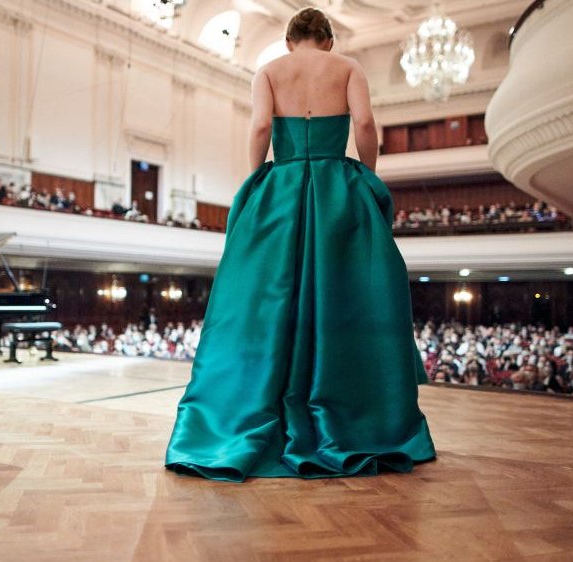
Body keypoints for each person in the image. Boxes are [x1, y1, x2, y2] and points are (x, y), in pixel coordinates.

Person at [165, 7, 435, 482]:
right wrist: (366, 177)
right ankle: (347, 414)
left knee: (264, 301)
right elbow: (367, 126)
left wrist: (257, 180)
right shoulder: (349, 67)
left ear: (290, 41)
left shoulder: (269, 70)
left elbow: (261, 128)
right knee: (348, 295)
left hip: (283, 192)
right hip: (338, 190)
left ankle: (252, 411)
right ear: (329, 40)